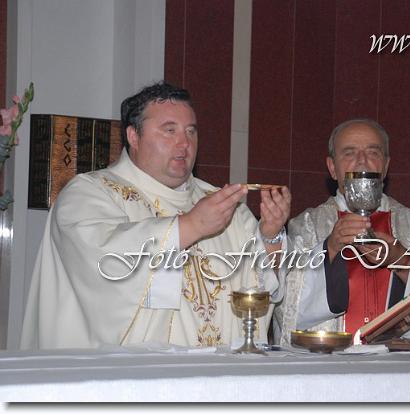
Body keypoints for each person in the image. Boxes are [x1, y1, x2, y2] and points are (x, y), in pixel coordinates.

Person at [21, 82, 291, 349]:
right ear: (133, 136)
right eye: (169, 130)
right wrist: (192, 226)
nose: (184, 143)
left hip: (219, 372)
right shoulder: (89, 193)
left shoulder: (223, 204)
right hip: (138, 374)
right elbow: (105, 266)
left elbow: (258, 289)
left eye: (191, 131)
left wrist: (270, 236)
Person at [274, 119, 410, 347]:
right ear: (332, 168)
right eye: (349, 153)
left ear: (385, 166)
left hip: (396, 363)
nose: (362, 160)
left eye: (373, 152)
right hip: (327, 362)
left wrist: (402, 260)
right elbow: (285, 304)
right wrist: (329, 249)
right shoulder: (307, 227)